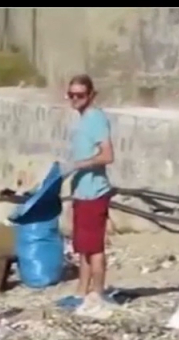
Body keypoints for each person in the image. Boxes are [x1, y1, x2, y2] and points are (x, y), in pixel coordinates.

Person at [59, 74, 116, 311]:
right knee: (82, 247)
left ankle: (98, 293)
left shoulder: (96, 119)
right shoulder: (82, 120)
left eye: (80, 95)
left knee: (94, 249)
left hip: (94, 193)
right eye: (71, 95)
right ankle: (81, 291)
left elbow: (108, 155)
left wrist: (81, 165)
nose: (75, 99)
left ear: (91, 95)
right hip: (82, 193)